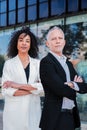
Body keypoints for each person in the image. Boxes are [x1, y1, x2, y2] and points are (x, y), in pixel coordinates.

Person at [39, 26, 87, 130]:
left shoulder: (68, 64)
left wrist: (72, 84)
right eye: (53, 39)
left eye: (60, 38)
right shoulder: (46, 62)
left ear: (64, 42)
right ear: (47, 44)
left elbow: (84, 87)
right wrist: (75, 86)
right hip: (54, 119)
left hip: (71, 117)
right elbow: (60, 89)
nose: (57, 41)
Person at [1, 27, 44, 130]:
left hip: (33, 112)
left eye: (27, 41)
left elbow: (44, 87)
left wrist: (16, 85)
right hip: (14, 114)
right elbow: (6, 90)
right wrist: (34, 88)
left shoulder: (37, 64)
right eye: (21, 40)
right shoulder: (9, 64)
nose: (24, 43)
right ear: (16, 43)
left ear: (31, 44)